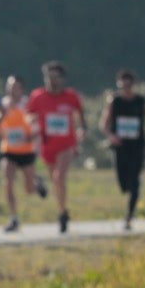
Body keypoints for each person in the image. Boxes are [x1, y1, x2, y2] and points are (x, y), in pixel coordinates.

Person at [26, 60, 85, 232]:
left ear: (62, 79)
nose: (52, 81)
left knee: (59, 177)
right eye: (48, 77)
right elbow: (29, 115)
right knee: (55, 180)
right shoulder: (38, 96)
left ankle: (61, 214)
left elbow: (80, 114)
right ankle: (63, 210)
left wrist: (82, 128)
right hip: (47, 145)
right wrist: (34, 123)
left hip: (67, 144)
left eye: (55, 77)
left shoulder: (71, 96)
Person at [100, 69, 145, 230]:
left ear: (134, 85)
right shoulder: (114, 102)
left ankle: (129, 215)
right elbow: (104, 124)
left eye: (129, 85)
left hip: (137, 146)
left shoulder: (142, 102)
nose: (126, 88)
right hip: (120, 147)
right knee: (123, 183)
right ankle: (129, 190)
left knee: (134, 181)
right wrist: (111, 136)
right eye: (123, 85)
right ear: (119, 85)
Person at [0, 75, 46, 232]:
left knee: (29, 189)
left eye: (14, 86)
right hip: (8, 149)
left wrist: (30, 135)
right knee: (8, 182)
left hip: (26, 150)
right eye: (9, 86)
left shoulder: (28, 104)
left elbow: (37, 126)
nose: (11, 89)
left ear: (21, 89)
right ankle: (13, 218)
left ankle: (37, 185)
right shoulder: (3, 104)